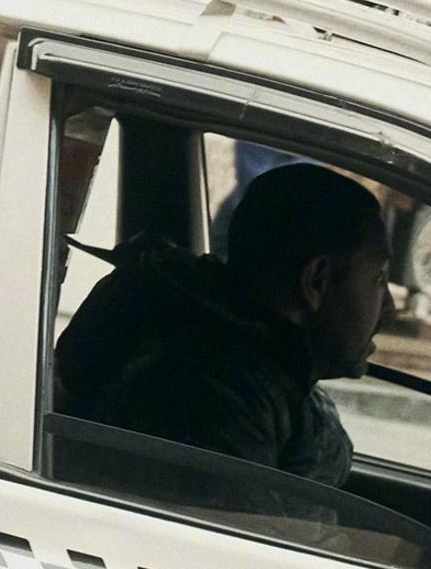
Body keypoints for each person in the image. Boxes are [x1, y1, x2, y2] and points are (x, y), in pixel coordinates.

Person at [53, 162, 393, 486]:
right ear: (316, 280)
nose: (389, 308)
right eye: (378, 278)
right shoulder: (214, 399)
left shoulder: (260, 373)